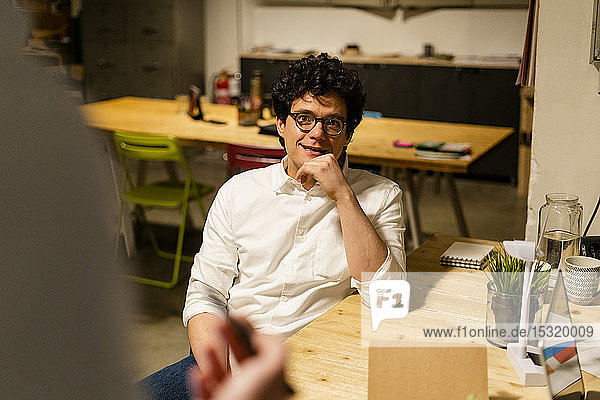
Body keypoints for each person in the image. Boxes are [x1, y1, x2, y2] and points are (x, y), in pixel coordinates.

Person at [141, 53, 406, 399]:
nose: (317, 134)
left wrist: (342, 194)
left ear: (347, 135)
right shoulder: (239, 192)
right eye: (304, 119)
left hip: (313, 366)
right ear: (281, 124)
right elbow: (207, 293)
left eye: (333, 123)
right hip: (226, 358)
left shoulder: (381, 196)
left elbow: (389, 302)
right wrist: (220, 379)